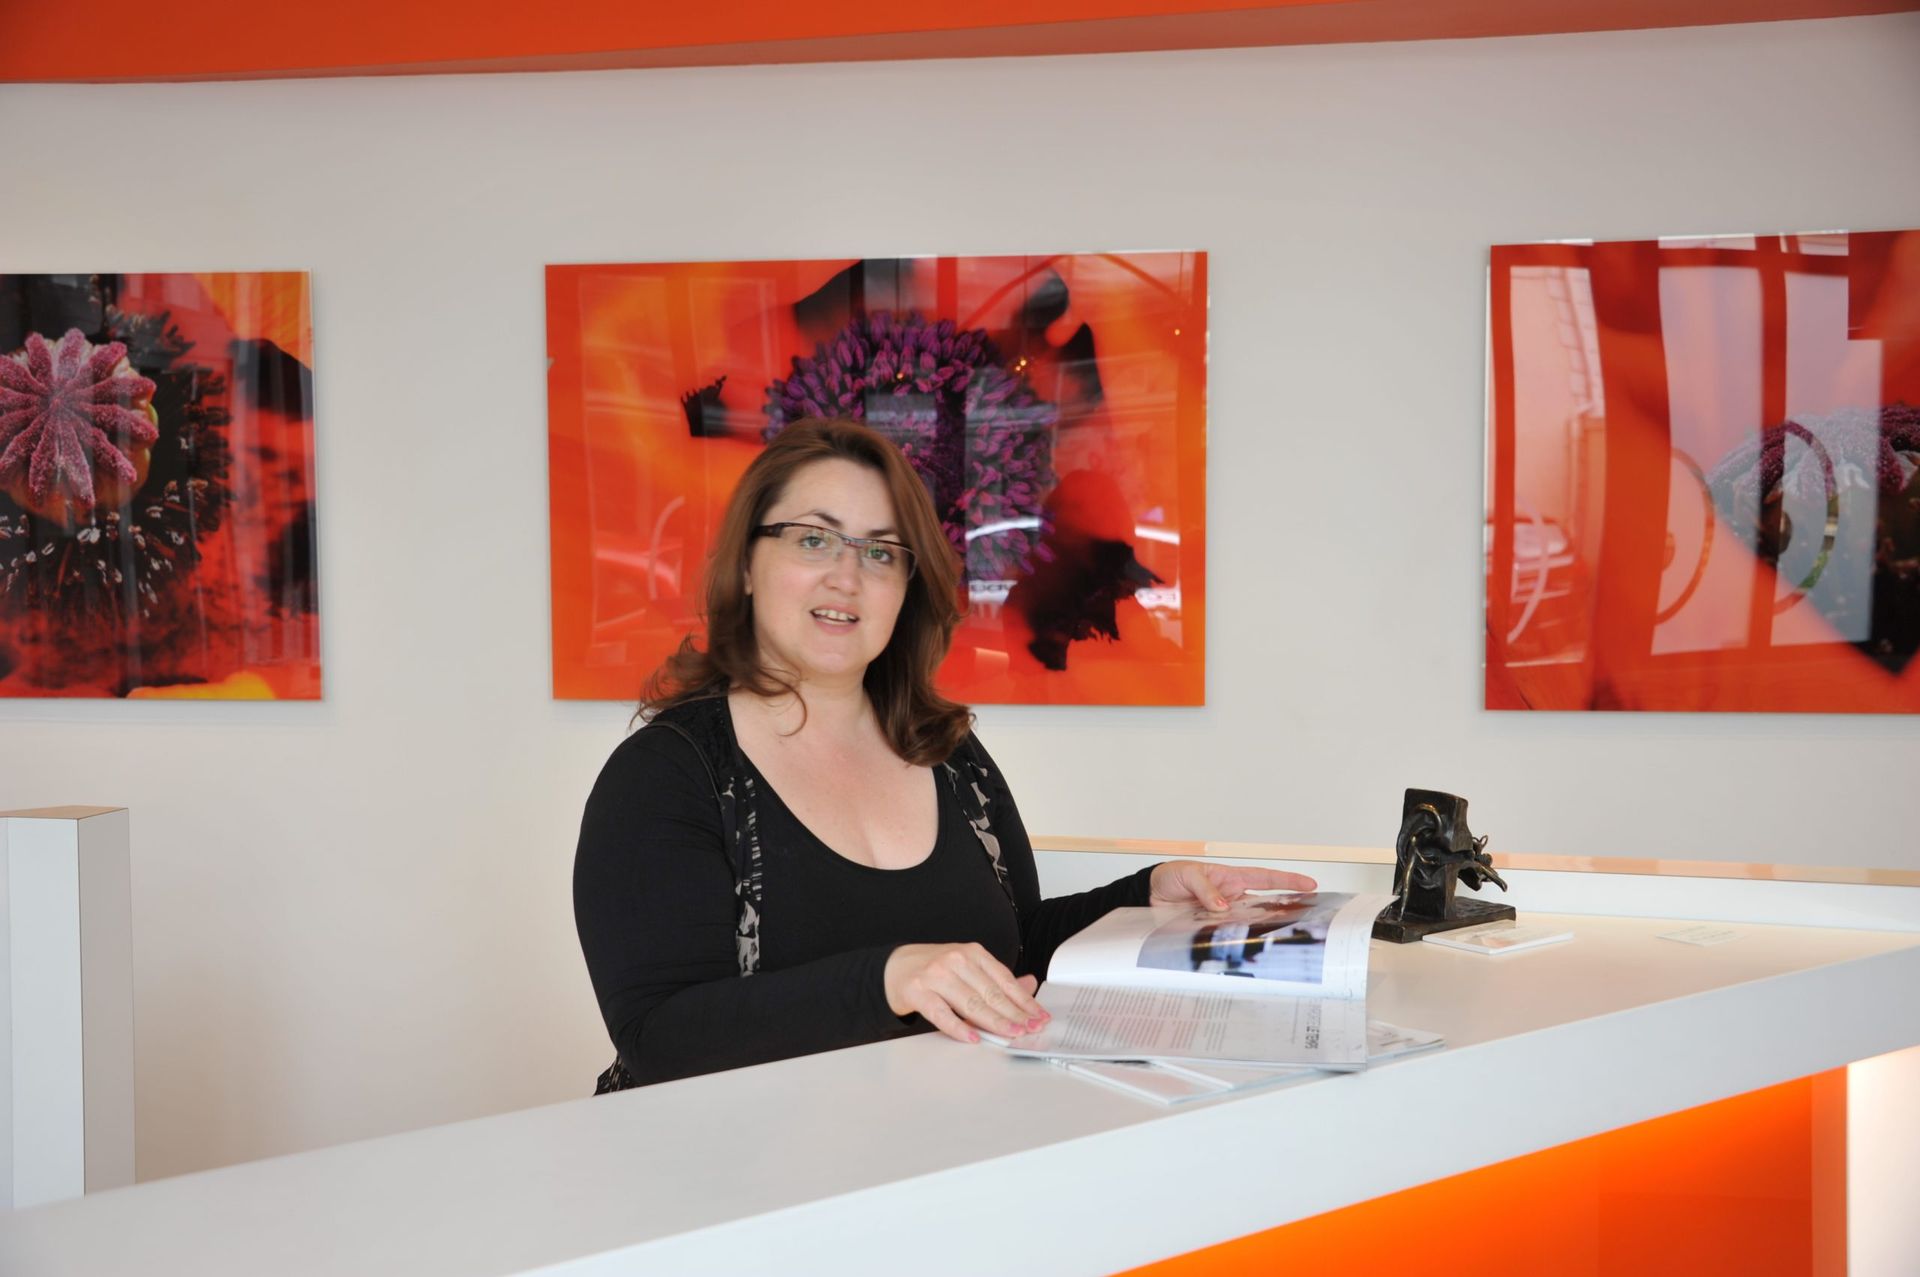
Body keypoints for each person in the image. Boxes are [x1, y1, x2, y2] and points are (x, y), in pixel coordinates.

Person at [572, 417, 1314, 1089]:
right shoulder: (669, 773)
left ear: (906, 587)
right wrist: (890, 977)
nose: (847, 575)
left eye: (882, 552)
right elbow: (659, 1037)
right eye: (812, 538)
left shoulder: (951, 757)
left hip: (940, 1169)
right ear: (744, 564)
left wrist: (1145, 899)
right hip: (733, 1198)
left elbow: (1014, 949)